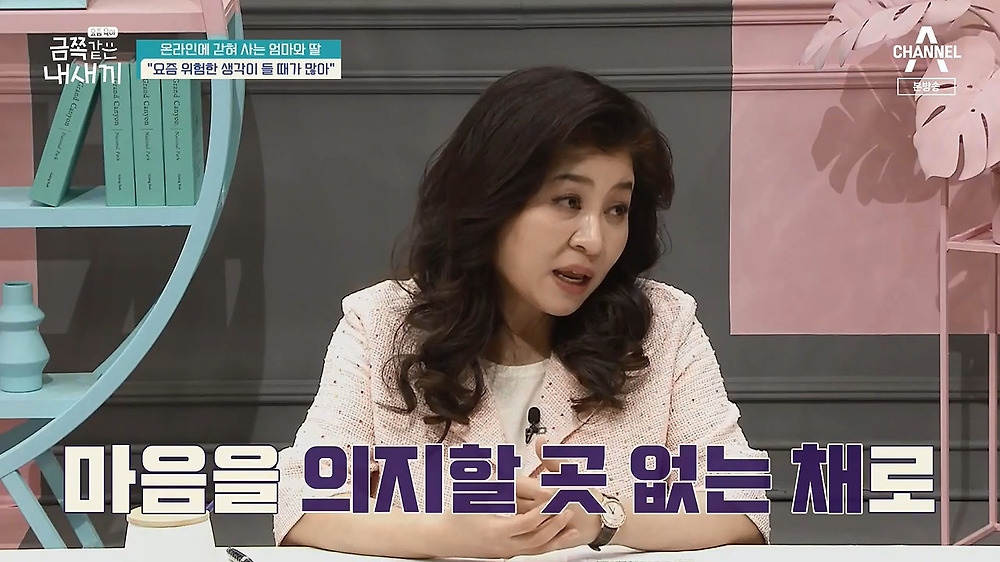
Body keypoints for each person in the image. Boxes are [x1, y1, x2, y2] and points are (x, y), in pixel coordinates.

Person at [273, 66, 770, 559]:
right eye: (568, 201)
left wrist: (605, 518)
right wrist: (449, 536)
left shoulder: (661, 326)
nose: (593, 239)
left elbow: (744, 507)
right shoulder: (382, 324)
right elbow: (301, 508)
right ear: (493, 201)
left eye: (616, 209)